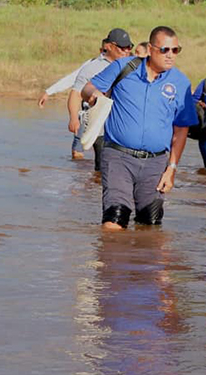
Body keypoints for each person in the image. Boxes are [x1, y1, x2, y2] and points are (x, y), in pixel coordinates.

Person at [81, 26, 197, 230]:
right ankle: (110, 260)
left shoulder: (180, 82)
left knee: (150, 226)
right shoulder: (124, 67)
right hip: (118, 156)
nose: (170, 55)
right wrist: (94, 95)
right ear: (151, 49)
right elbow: (88, 88)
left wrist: (171, 168)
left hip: (156, 162)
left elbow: (181, 129)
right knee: (114, 220)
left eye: (175, 50)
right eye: (165, 50)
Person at [67, 29, 133, 165]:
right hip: (100, 128)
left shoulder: (133, 66)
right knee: (104, 168)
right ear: (109, 46)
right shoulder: (92, 68)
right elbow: (76, 93)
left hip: (124, 127)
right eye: (122, 48)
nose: (126, 51)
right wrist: (73, 118)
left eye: (129, 47)